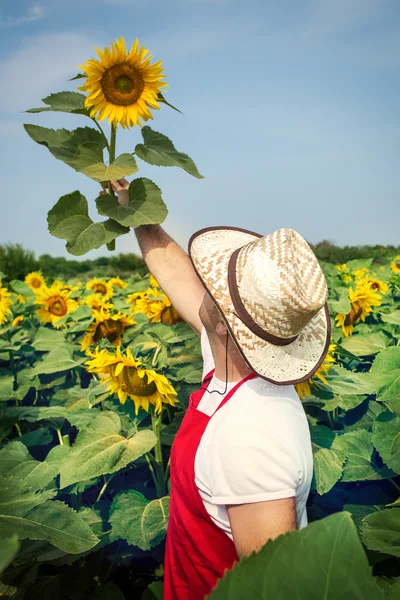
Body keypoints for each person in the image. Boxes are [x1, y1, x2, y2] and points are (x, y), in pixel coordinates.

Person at [105, 179, 331, 600]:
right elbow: (175, 271)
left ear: (228, 322)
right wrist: (130, 205)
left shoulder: (252, 437)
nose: (205, 283)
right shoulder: (230, 358)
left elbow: (277, 588)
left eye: (219, 285)